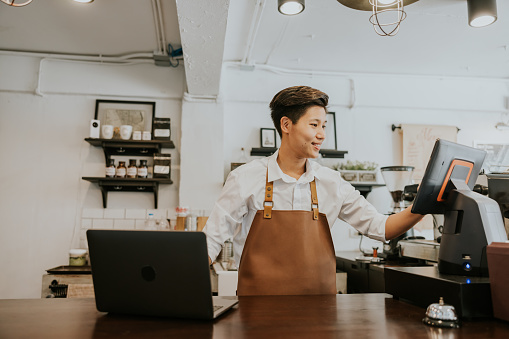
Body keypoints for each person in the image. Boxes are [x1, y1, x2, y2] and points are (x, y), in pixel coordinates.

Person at [203, 86, 424, 296]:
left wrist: (424, 204)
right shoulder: (245, 178)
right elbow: (211, 241)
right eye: (314, 125)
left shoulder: (331, 182)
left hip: (320, 311)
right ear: (286, 125)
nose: (322, 135)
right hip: (256, 310)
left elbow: (381, 227)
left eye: (324, 126)